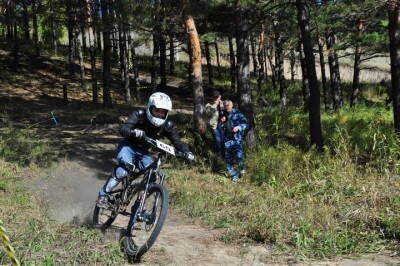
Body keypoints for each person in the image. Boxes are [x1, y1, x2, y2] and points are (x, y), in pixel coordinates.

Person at [97, 92, 194, 207]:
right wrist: (133, 132)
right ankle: (103, 195)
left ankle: (138, 205)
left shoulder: (168, 125)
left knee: (152, 175)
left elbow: (177, 142)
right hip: (128, 146)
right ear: (150, 107)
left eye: (163, 112)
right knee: (123, 170)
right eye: (157, 110)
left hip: (144, 152)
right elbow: (124, 128)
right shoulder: (139, 114)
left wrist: (187, 152)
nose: (159, 114)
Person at [220, 100, 248, 182]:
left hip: (236, 138)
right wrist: (222, 122)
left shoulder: (238, 113)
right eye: (225, 105)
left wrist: (238, 127)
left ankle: (242, 169)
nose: (227, 106)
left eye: (228, 105)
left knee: (239, 156)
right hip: (227, 139)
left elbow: (245, 123)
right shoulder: (223, 114)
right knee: (228, 159)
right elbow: (222, 127)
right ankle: (234, 175)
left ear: (232, 105)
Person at [205, 90, 224, 155]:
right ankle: (218, 153)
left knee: (222, 138)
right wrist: (215, 105)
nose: (216, 99)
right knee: (217, 139)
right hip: (213, 125)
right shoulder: (208, 105)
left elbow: (227, 112)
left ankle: (223, 152)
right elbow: (208, 114)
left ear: (220, 97)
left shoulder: (223, 104)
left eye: (217, 97)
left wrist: (225, 117)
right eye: (214, 97)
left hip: (221, 124)